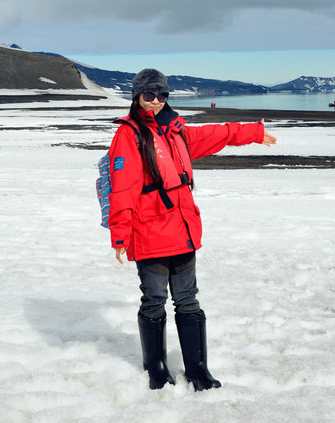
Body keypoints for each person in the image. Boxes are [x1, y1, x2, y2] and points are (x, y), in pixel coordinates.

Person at [108, 68, 277, 391]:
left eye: (162, 95)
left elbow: (216, 134)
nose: (156, 102)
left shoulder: (176, 131)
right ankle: (156, 367)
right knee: (154, 299)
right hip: (149, 232)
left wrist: (253, 131)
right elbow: (122, 189)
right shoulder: (128, 136)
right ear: (136, 96)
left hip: (183, 230)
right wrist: (120, 234)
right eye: (149, 95)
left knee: (188, 300)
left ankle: (198, 369)